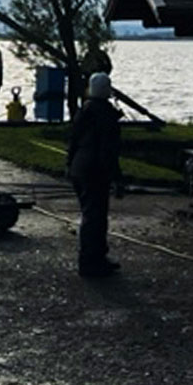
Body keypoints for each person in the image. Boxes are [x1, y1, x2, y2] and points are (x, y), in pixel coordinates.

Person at [66, 72, 124, 277]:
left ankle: (97, 256)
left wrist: (69, 164)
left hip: (79, 167)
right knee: (95, 217)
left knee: (91, 214)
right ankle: (90, 261)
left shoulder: (84, 111)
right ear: (107, 90)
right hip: (95, 170)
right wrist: (117, 177)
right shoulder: (106, 115)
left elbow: (73, 140)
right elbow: (109, 150)